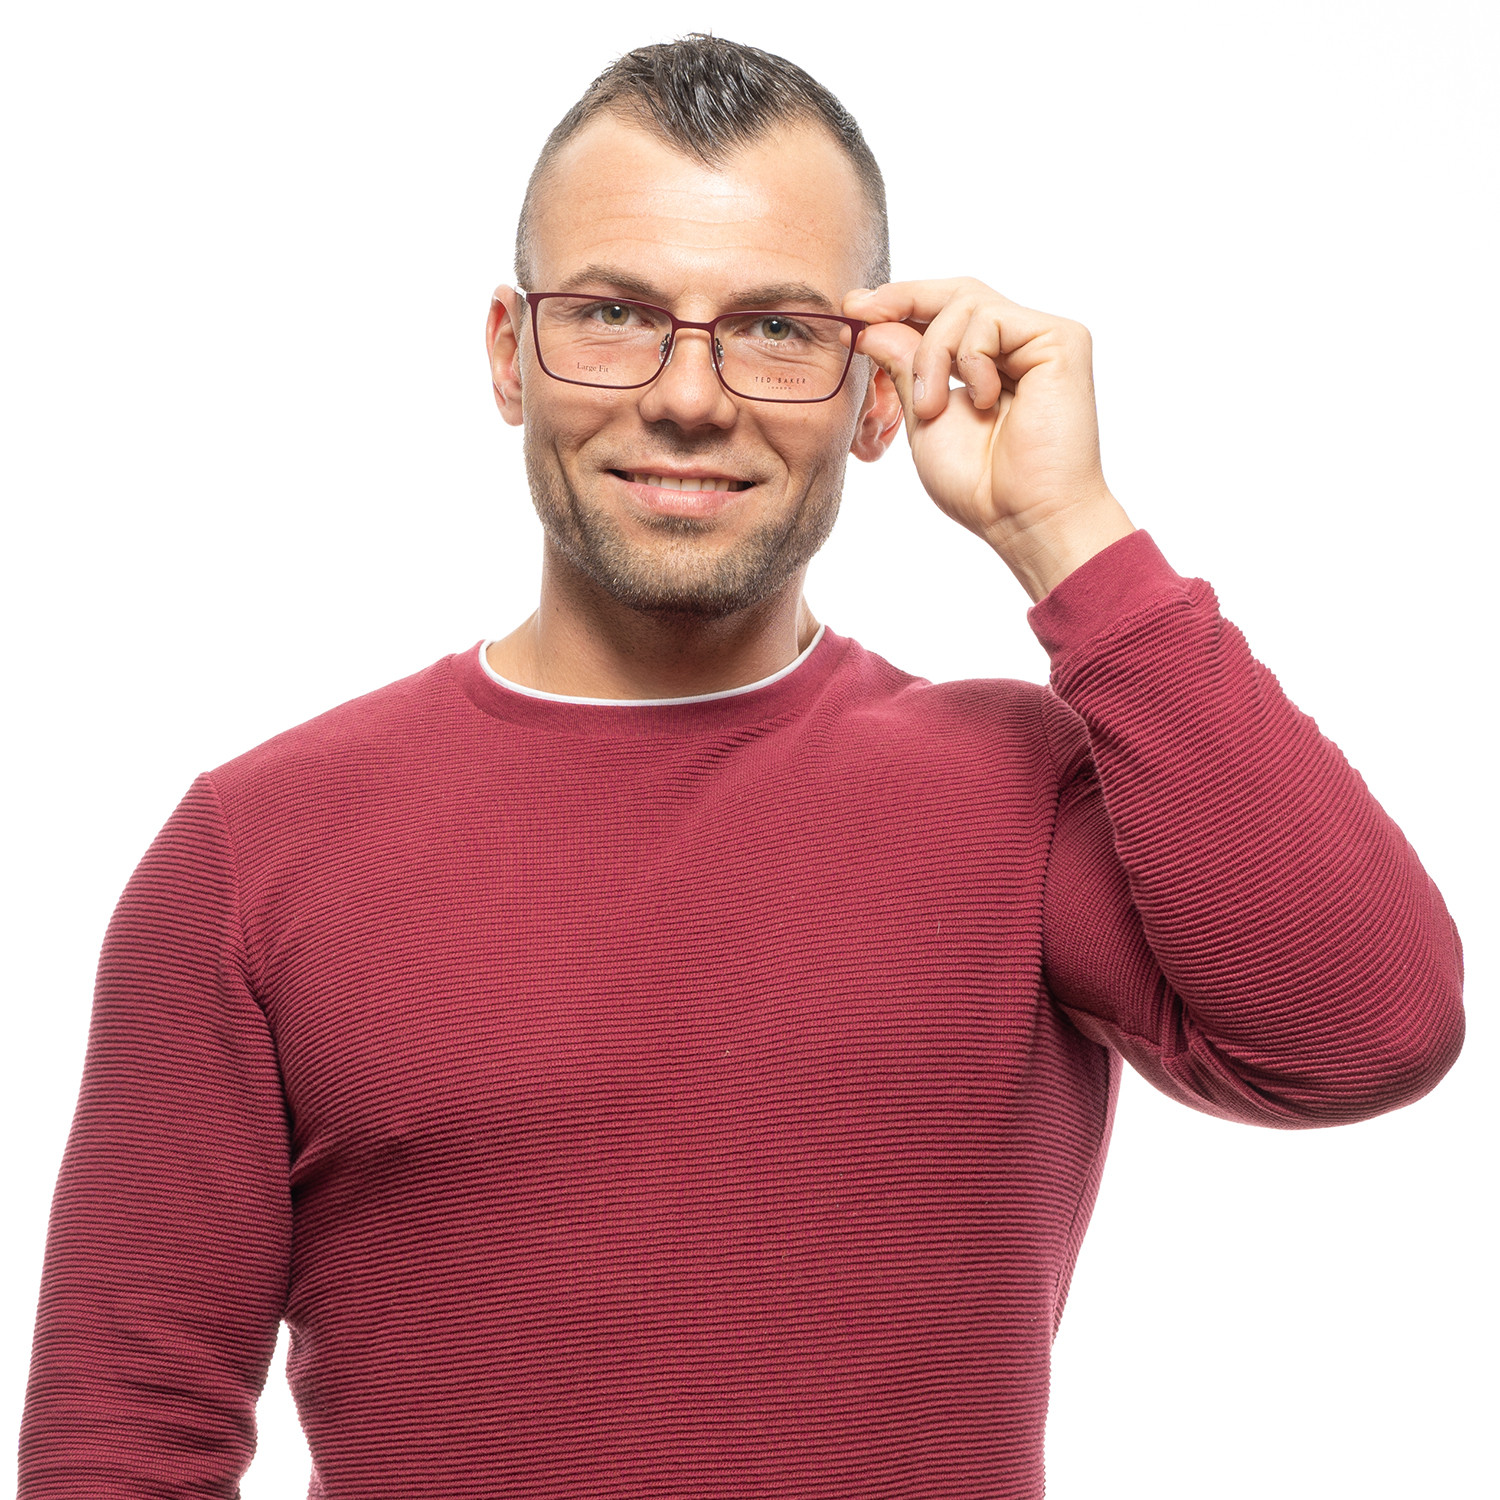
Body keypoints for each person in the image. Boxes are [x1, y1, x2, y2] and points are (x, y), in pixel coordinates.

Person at [17, 33, 1465, 1500]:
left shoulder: (1020, 790)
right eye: (613, 314)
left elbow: (1369, 1032)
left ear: (877, 394)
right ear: (509, 354)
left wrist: (1067, 532)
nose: (689, 398)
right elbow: (117, 1446)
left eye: (775, 328)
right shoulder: (257, 846)